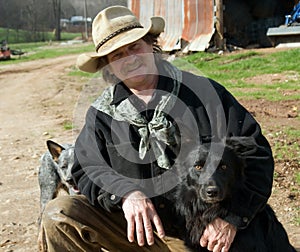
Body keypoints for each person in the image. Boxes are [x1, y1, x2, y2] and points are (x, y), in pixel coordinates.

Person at [39, 5, 274, 252]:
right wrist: (125, 194)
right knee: (61, 215)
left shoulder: (204, 94)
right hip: (138, 230)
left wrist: (232, 218)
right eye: (117, 55)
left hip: (203, 232)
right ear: (108, 66)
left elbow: (255, 154)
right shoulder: (101, 115)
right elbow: (86, 169)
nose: (129, 59)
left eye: (134, 47)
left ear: (152, 45)